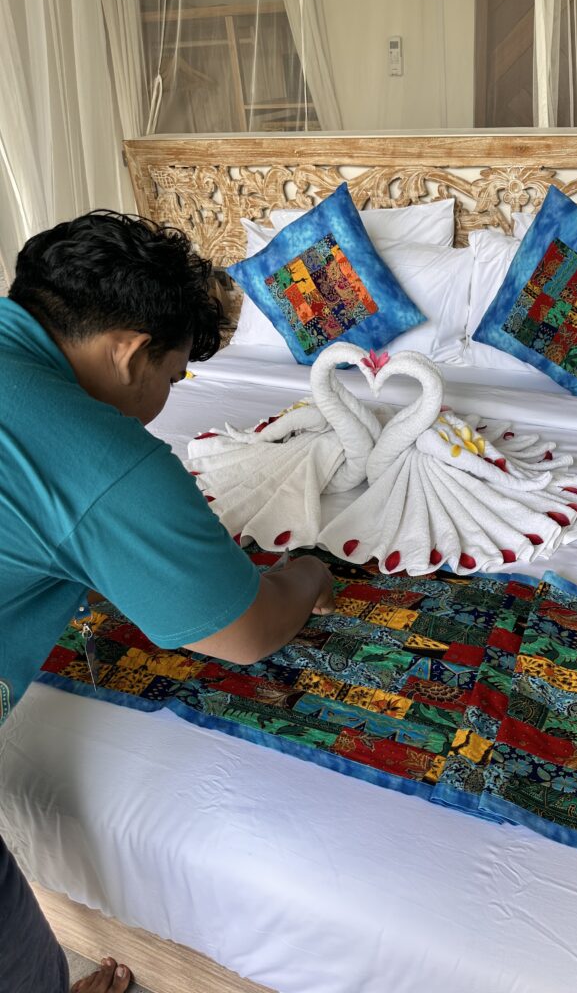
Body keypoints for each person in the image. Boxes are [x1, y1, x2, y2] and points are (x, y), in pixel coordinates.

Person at [0, 211, 336, 993]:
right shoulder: (102, 458)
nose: (167, 398)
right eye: (173, 377)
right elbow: (246, 631)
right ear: (127, 350)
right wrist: (308, 573)